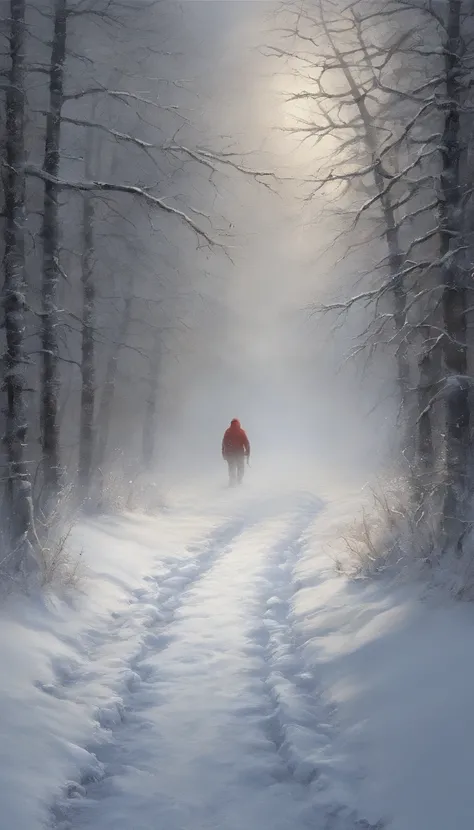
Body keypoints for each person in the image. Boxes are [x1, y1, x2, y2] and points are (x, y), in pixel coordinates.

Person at [222, 418, 250, 486]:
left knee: (232, 467)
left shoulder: (227, 431)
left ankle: (232, 482)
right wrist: (247, 452)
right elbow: (246, 443)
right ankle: (239, 481)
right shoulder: (241, 432)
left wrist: (224, 453)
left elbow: (224, 444)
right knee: (240, 467)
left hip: (230, 454)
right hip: (239, 453)